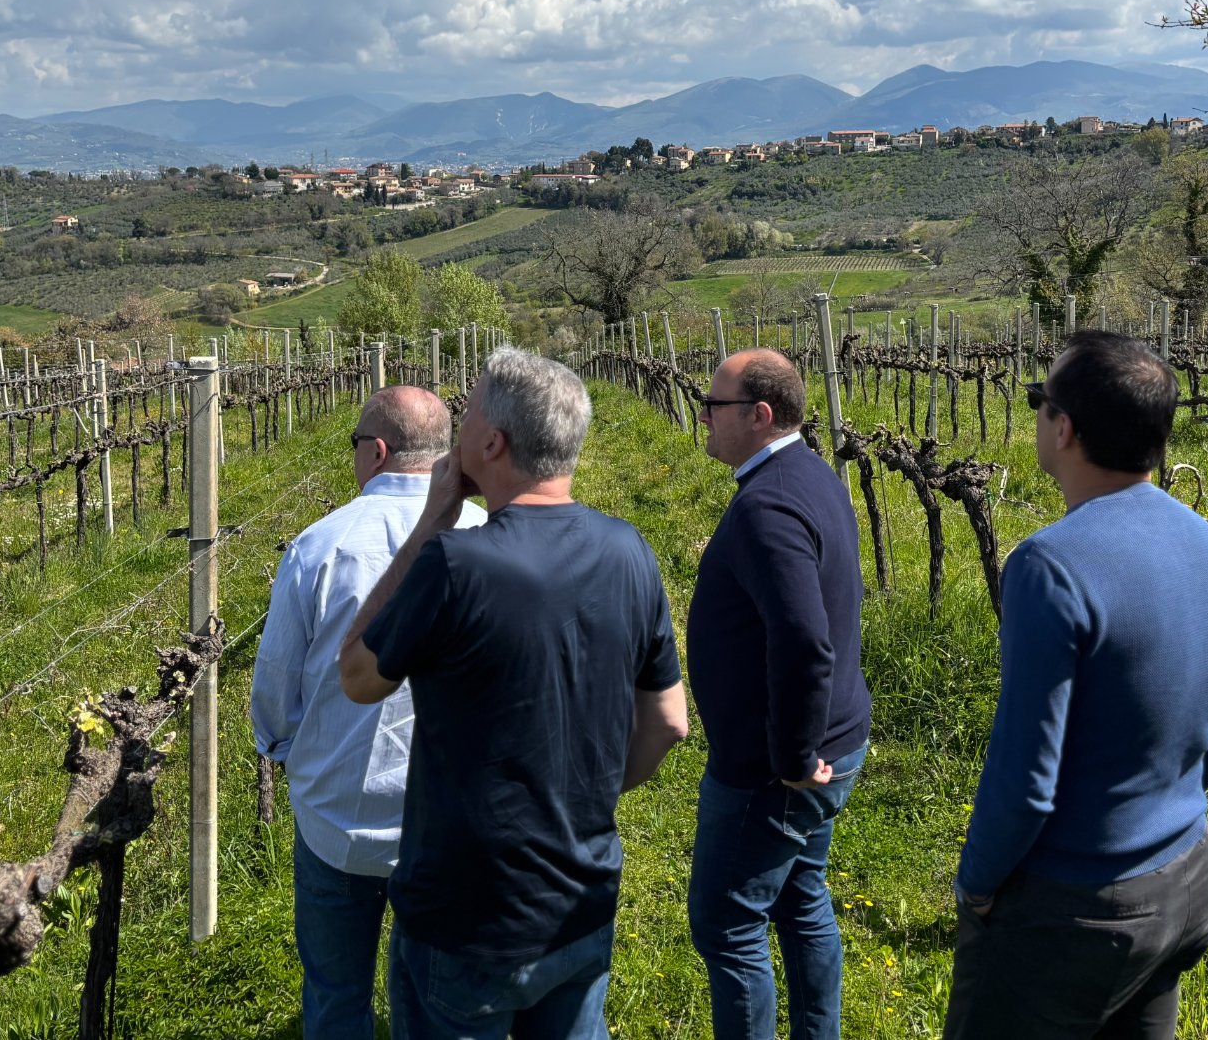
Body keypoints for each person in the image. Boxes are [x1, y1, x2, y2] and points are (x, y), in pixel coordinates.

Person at [339, 346, 689, 1040]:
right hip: (582, 896)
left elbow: (357, 676)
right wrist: (584, 797)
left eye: (466, 412)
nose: (457, 426)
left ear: (492, 443)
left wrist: (436, 516)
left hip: (465, 913)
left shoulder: (453, 564)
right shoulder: (631, 550)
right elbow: (671, 721)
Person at [945, 330, 1208, 1040]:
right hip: (1186, 882)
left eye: (1037, 400)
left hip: (1076, 910)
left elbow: (1024, 776)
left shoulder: (1052, 568)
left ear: (1065, 428)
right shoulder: (1207, 541)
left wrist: (979, 885)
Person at [250, 384, 487, 1040]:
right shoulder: (492, 535)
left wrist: (285, 748)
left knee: (334, 988)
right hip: (454, 822)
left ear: (375, 451)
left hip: (338, 818)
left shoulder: (318, 546)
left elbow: (276, 685)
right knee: (440, 996)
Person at [686, 347, 872, 1040]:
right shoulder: (806, 474)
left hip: (777, 770)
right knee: (799, 897)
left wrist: (791, 757)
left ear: (759, 415)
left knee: (727, 924)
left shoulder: (770, 505)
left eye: (715, 405)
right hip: (831, 740)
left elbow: (803, 638)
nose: (703, 414)